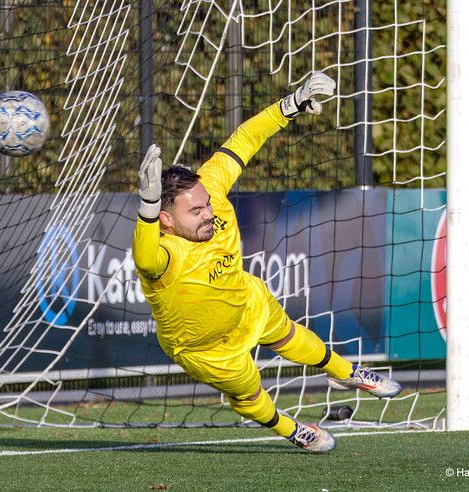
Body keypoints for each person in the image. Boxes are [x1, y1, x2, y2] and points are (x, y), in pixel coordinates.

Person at [131, 72, 401, 453]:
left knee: (289, 335)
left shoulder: (209, 185)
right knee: (250, 394)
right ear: (166, 219)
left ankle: (345, 374)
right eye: (196, 211)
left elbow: (244, 139)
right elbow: (142, 257)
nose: (208, 212)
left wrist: (289, 106)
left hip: (246, 299)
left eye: (207, 202)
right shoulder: (162, 254)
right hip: (205, 347)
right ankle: (292, 429)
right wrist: (145, 207)